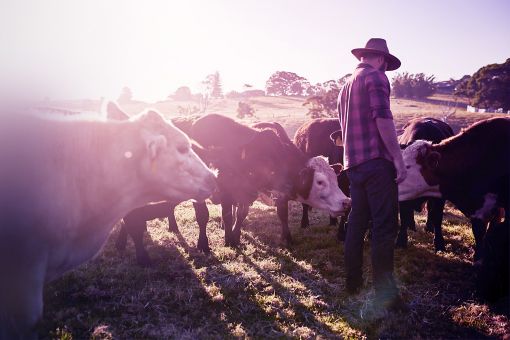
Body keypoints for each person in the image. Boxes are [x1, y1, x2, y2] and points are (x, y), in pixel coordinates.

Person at [337, 38, 407, 311]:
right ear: (380, 59)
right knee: (384, 227)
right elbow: (383, 118)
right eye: (387, 64)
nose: (387, 69)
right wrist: (398, 159)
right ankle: (385, 296)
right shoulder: (376, 78)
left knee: (357, 222)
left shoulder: (344, 86)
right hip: (377, 163)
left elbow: (344, 129)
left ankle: (352, 283)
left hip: (352, 164)